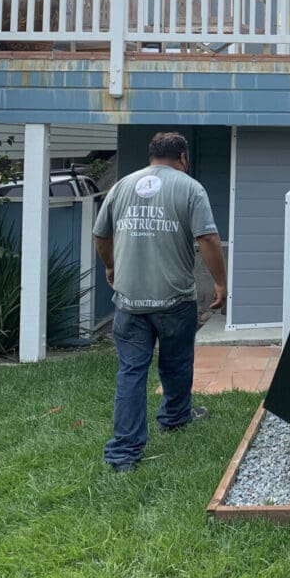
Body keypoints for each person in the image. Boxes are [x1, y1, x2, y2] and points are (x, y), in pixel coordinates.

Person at [93, 132, 228, 472]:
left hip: (129, 301)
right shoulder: (190, 187)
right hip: (174, 300)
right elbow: (208, 237)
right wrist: (220, 281)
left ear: (151, 155)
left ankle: (123, 454)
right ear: (183, 156)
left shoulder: (121, 186)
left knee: (132, 372)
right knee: (176, 362)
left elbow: (100, 234)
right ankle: (175, 417)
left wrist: (110, 265)